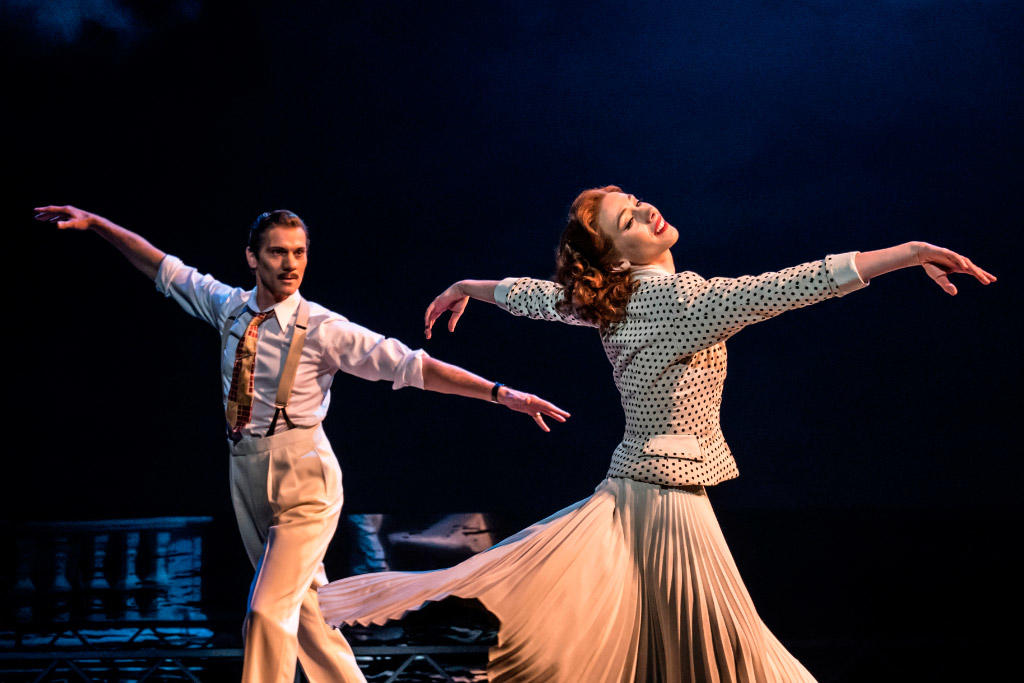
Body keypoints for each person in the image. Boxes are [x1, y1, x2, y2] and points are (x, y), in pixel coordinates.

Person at [317, 185, 995, 682]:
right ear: (616, 253)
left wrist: (471, 283)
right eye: (628, 219)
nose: (647, 211)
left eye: (637, 203)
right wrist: (908, 252)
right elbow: (796, 285)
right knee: (745, 664)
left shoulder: (609, 302)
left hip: (635, 494)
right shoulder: (680, 301)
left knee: (679, 662)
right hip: (669, 506)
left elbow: (535, 296)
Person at [33, 204, 570, 683]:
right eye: (277, 253)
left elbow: (413, 366)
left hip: (305, 477)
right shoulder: (228, 308)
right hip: (245, 471)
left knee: (266, 612)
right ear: (252, 257)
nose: (290, 264)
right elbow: (162, 267)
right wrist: (98, 225)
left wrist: (503, 394)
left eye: (299, 253)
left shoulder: (323, 328)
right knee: (307, 618)